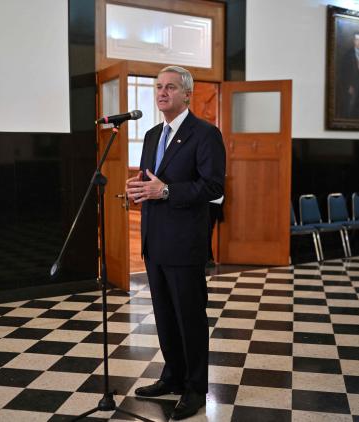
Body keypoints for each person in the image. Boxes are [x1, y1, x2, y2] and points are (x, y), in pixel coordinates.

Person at [125, 65, 226, 420]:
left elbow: (214, 188)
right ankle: (173, 375)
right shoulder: (153, 134)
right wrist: (138, 190)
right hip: (154, 240)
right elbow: (148, 180)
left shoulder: (205, 134)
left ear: (187, 94)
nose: (162, 93)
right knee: (165, 317)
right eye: (158, 87)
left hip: (185, 243)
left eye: (170, 87)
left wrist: (165, 190)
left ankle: (196, 387)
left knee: (189, 318)